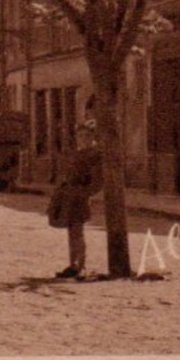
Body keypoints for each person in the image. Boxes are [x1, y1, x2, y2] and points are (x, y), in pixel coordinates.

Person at [48, 118, 104, 278]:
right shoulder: (77, 153)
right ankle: (72, 264)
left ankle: (81, 266)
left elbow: (97, 182)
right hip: (68, 196)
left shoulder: (95, 154)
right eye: (80, 135)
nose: (83, 139)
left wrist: (83, 194)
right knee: (71, 231)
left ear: (93, 136)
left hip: (79, 197)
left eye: (87, 135)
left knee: (78, 231)